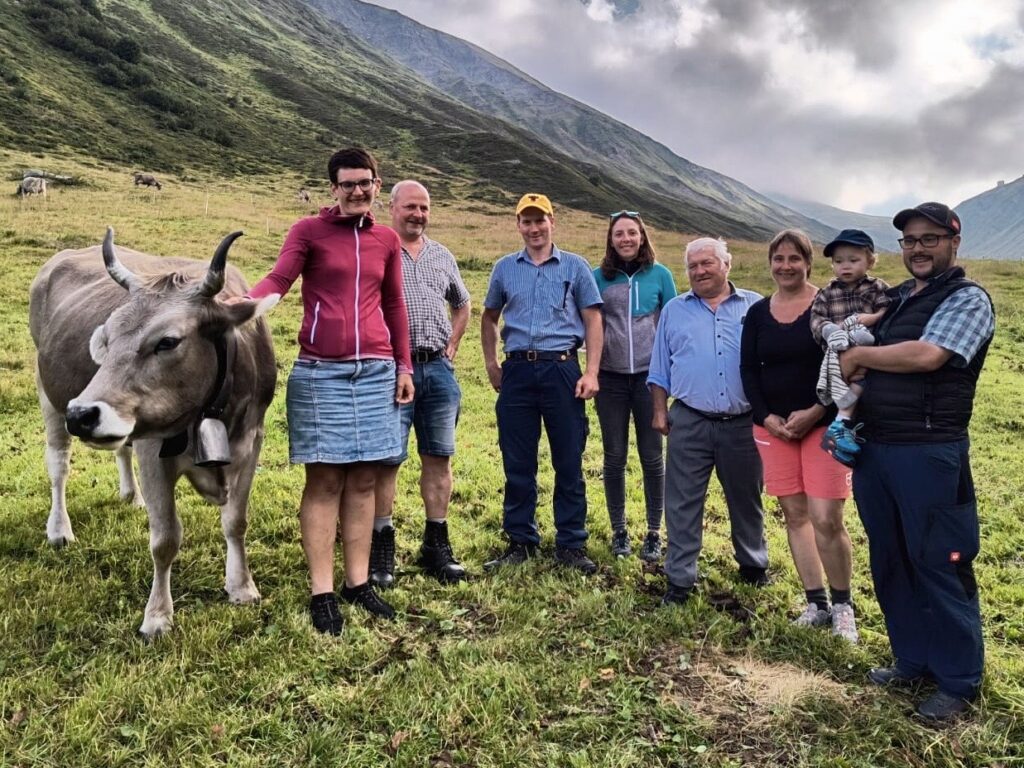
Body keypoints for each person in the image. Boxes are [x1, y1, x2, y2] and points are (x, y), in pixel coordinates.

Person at [244, 147, 413, 635]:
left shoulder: (385, 239)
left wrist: (403, 365)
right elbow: (279, 278)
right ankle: (322, 591)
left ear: (378, 185)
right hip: (322, 373)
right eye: (348, 184)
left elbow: (395, 305)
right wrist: (245, 305)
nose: (358, 190)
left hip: (378, 371)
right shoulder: (308, 231)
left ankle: (358, 584)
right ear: (333, 189)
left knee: (363, 481)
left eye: (366, 182)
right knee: (325, 483)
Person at [840, 202, 994, 722]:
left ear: (953, 242)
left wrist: (860, 357)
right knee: (891, 557)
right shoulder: (903, 296)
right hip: (877, 449)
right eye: (909, 241)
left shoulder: (968, 298)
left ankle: (957, 679)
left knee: (940, 560)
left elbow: (929, 355)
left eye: (929, 239)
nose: (918, 249)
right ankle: (913, 658)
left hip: (929, 453)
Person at [739, 229, 858, 642]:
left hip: (823, 426)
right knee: (794, 514)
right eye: (779, 259)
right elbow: (749, 371)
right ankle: (816, 602)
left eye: (794, 258)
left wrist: (816, 411)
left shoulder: (827, 305)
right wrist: (766, 416)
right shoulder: (757, 313)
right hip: (773, 429)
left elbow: (847, 366)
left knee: (827, 516)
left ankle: (844, 605)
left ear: (808, 262)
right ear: (770, 263)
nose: (785, 266)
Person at [481, 193, 604, 574]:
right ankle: (521, 540)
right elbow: (488, 318)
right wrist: (490, 362)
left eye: (540, 220)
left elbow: (593, 320)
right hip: (517, 370)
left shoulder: (576, 267)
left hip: (562, 370)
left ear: (553, 221)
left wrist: (591, 371)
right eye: (526, 221)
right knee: (517, 461)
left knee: (568, 459)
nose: (534, 228)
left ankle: (570, 543)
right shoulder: (504, 268)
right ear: (518, 225)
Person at [648, 237, 769, 605]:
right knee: (682, 501)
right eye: (693, 266)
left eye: (707, 263)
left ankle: (753, 564)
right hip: (689, 419)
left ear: (726, 264)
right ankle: (680, 579)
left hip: (743, 422)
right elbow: (659, 366)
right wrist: (658, 410)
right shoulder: (674, 310)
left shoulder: (756, 307)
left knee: (746, 497)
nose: (699, 271)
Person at [372, 180, 471, 588]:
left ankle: (436, 544)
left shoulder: (442, 255)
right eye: (411, 206)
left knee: (439, 457)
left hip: (437, 371)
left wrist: (452, 346)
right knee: (386, 460)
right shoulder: (377, 248)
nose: (418, 214)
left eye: (424, 208)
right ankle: (381, 549)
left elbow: (463, 304)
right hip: (391, 371)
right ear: (392, 207)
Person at [592, 211, 676, 560]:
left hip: (649, 379)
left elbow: (673, 323)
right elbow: (589, 323)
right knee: (613, 456)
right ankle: (619, 530)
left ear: (642, 237)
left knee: (652, 456)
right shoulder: (598, 277)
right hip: (609, 378)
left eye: (632, 233)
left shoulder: (661, 275)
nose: (625, 239)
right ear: (610, 240)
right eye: (619, 234)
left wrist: (672, 375)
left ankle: (654, 532)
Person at [810, 229, 891, 466]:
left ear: (870, 261)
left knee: (861, 384)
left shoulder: (877, 287)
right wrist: (829, 330)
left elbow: (890, 311)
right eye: (838, 261)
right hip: (837, 353)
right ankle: (839, 430)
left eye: (853, 260)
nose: (845, 266)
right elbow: (815, 319)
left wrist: (873, 319)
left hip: (869, 352)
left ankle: (840, 428)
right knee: (847, 384)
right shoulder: (826, 292)